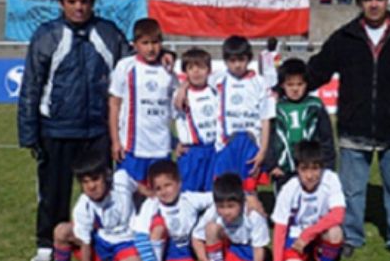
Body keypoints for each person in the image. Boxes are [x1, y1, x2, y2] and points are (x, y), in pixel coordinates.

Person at [306, 0, 390, 261]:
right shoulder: (344, 38)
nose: (374, 4)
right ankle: (351, 237)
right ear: (360, 3)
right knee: (351, 191)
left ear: (387, 0)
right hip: (354, 128)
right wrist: (287, 84)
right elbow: (318, 70)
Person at [17, 0, 132, 261]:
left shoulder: (108, 33)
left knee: (102, 192)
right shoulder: (47, 35)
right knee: (53, 192)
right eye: (72, 1)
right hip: (57, 129)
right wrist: (29, 132)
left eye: (84, 1)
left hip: (98, 130)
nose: (78, 7)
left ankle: (104, 242)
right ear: (61, 3)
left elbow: (131, 67)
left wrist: (164, 56)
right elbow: (31, 85)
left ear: (92, 2)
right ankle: (47, 244)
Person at [29, 150, 144, 261]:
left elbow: (140, 189)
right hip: (100, 241)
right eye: (85, 182)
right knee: (61, 231)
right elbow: (85, 244)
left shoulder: (121, 180)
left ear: (106, 176)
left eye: (95, 179)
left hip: (126, 241)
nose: (91, 186)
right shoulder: (83, 206)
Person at [270, 140, 345, 261]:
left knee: (335, 232)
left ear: (322, 167)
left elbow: (338, 214)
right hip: (296, 235)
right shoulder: (289, 188)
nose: (310, 176)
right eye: (304, 169)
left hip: (318, 233)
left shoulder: (331, 179)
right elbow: (279, 229)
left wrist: (308, 234)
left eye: (315, 168)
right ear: (297, 169)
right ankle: (305, 258)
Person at [108, 18, 177, 190]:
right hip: (132, 148)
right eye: (145, 43)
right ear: (135, 44)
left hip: (161, 147)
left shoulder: (167, 68)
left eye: (155, 42)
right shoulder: (126, 66)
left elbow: (178, 101)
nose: (151, 48)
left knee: (160, 195)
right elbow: (114, 105)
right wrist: (115, 141)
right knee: (128, 195)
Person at [132, 161, 214, 261]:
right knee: (158, 227)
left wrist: (246, 196)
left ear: (179, 183)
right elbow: (140, 238)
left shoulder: (189, 199)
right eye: (158, 188)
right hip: (155, 248)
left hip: (180, 251)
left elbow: (216, 198)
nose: (164, 191)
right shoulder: (151, 205)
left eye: (168, 185)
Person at [210, 36, 275, 191]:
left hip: (251, 145)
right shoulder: (217, 79)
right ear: (225, 61)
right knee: (224, 190)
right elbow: (196, 85)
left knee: (249, 191)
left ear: (249, 59)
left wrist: (262, 151)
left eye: (241, 59)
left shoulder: (260, 83)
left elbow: (266, 119)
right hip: (226, 144)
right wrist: (184, 87)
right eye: (232, 60)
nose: (237, 65)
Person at [264, 59, 335, 194]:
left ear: (306, 84)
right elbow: (269, 137)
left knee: (312, 203)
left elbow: (326, 138)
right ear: (282, 85)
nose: (295, 89)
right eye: (290, 84)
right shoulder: (276, 107)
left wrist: (328, 166)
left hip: (311, 168)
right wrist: (271, 165)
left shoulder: (315, 105)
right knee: (285, 203)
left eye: (300, 84)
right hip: (284, 170)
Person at [193, 173, 270, 261]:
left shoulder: (254, 215)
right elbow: (196, 237)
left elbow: (259, 249)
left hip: (248, 249)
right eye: (221, 207)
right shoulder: (214, 210)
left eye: (231, 206)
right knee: (211, 228)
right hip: (229, 244)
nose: (226, 212)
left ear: (242, 202)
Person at [173, 49, 218, 192]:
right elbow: (162, 120)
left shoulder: (215, 92)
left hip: (214, 149)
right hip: (191, 152)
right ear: (185, 71)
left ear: (209, 70)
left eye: (201, 67)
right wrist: (174, 144)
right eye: (191, 68)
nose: (196, 72)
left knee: (212, 194)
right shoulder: (180, 95)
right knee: (188, 194)